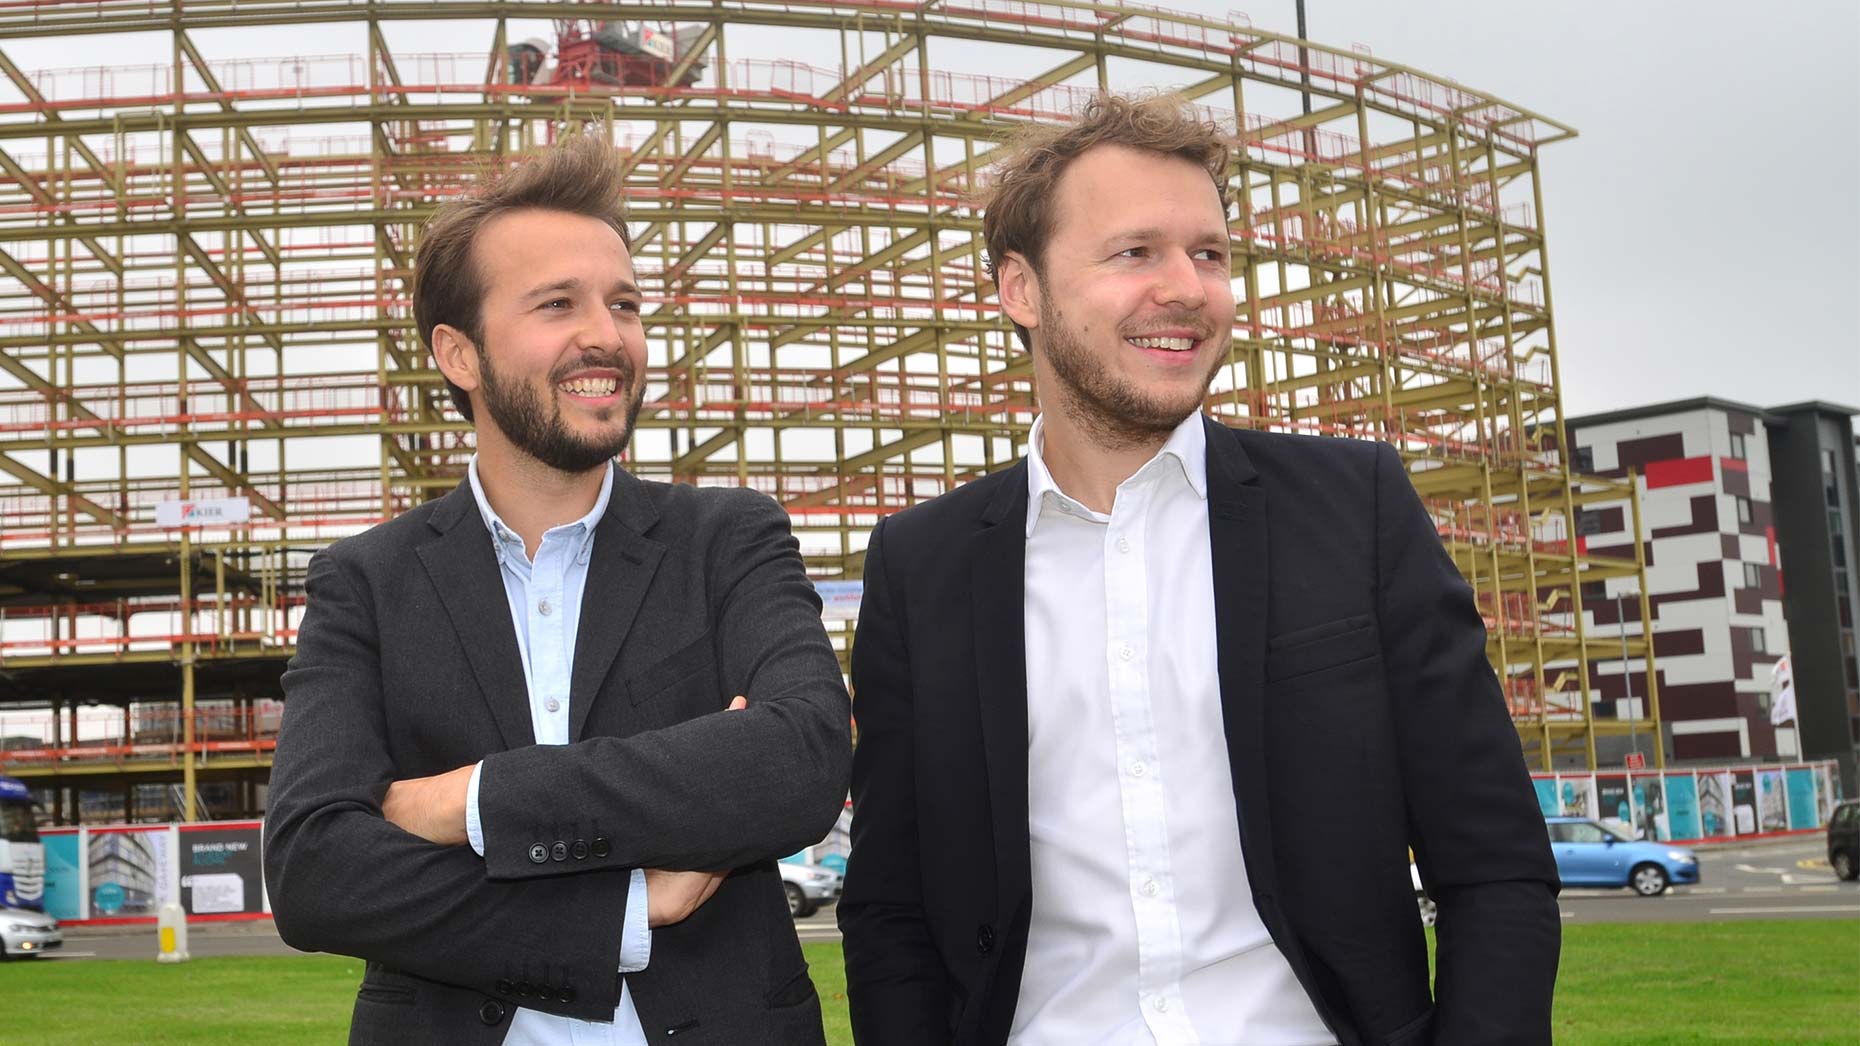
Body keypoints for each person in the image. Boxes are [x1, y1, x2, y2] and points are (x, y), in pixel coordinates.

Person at [837, 94, 1560, 1046]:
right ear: (1022, 289)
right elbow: (890, 907)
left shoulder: (1358, 510)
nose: (1188, 288)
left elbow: (1495, 863)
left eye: (1209, 254)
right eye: (1136, 252)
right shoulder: (918, 568)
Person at [264, 132, 851, 1045]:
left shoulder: (727, 539)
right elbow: (313, 871)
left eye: (624, 303)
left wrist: (472, 803)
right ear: (459, 355)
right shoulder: (367, 582)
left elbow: (801, 762)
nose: (606, 335)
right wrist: (622, 909)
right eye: (556, 305)